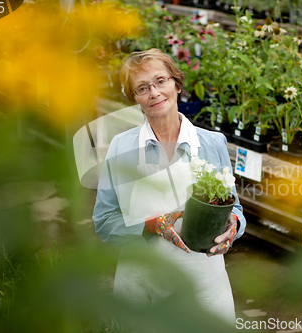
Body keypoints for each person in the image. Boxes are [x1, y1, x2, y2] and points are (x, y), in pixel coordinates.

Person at [92, 48, 246, 324]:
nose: (154, 93)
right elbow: (104, 220)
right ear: (134, 98)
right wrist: (149, 226)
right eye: (142, 88)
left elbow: (233, 207)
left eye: (160, 81)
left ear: (176, 83)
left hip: (204, 285)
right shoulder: (122, 148)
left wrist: (234, 224)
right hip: (142, 286)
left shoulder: (212, 143)